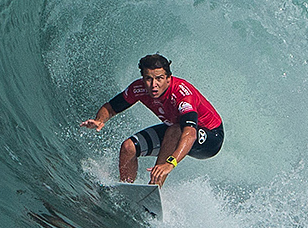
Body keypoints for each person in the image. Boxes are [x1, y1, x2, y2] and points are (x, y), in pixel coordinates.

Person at [79, 54, 224, 186]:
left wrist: (170, 163)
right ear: (143, 79)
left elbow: (190, 133)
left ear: (168, 79)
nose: (154, 84)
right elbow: (110, 108)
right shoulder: (139, 88)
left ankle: (154, 187)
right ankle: (126, 188)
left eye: (159, 78)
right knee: (129, 147)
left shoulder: (182, 95)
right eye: (149, 78)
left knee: (175, 130)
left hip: (210, 137)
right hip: (174, 130)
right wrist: (100, 120)